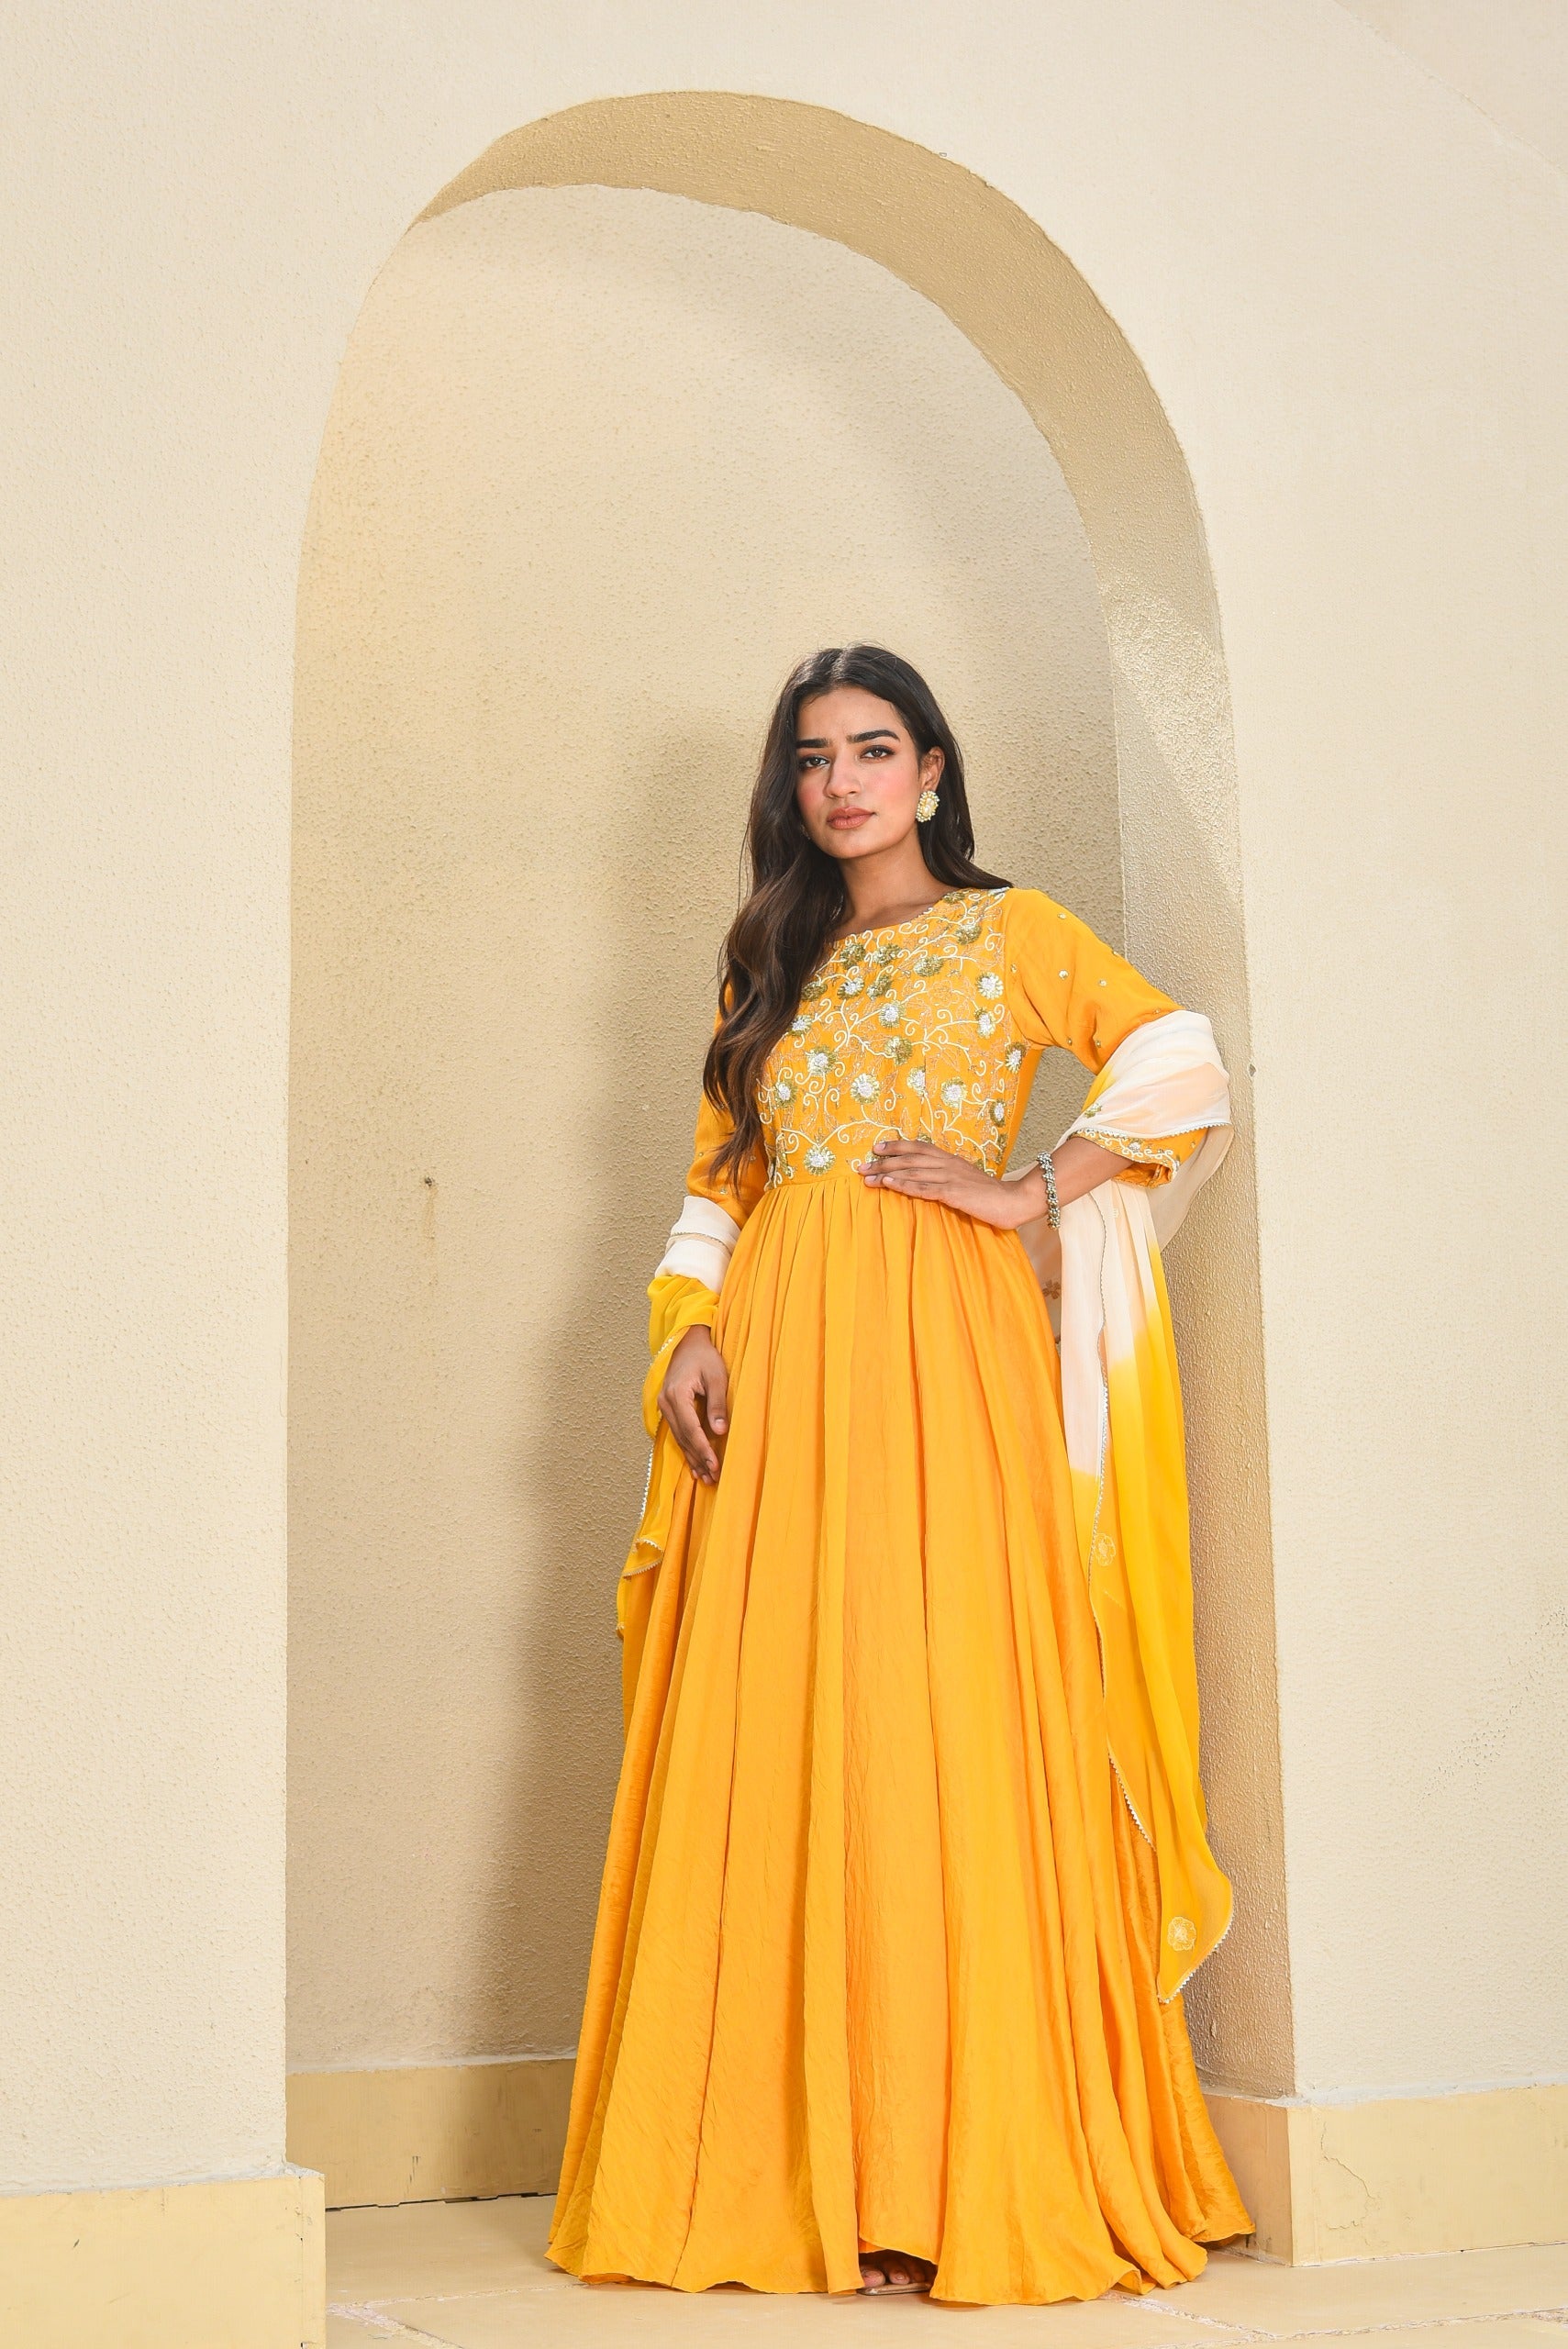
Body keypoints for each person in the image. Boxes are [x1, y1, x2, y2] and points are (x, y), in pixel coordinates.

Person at [548, 645, 1251, 2304]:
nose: (844, 781)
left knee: (944, 1719)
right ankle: (803, 2170)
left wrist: (1034, 1187)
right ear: (792, 787)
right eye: (813, 758)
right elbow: (717, 1174)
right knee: (794, 1722)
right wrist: (687, 1330)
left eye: (875, 750)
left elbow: (1182, 1057)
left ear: (932, 773)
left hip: (946, 1352)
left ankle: (949, 2172)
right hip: (782, 1355)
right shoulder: (769, 957)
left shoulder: (1012, 931)